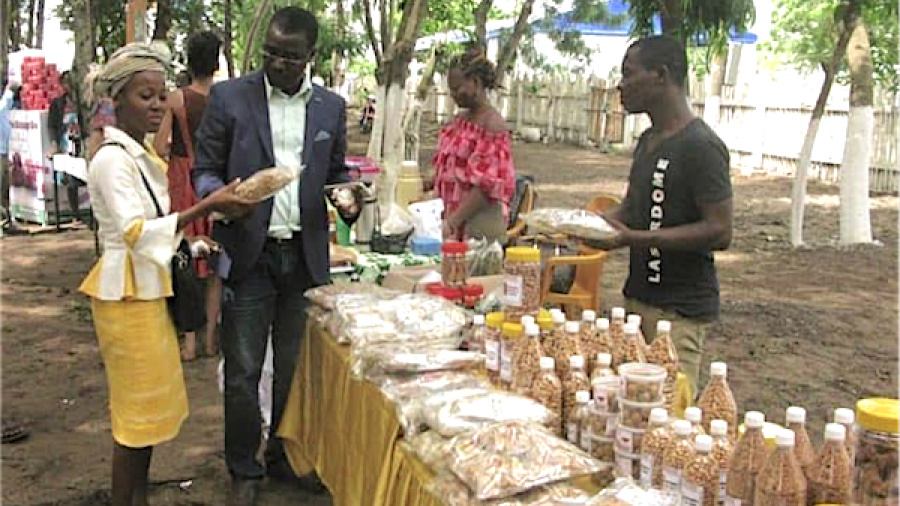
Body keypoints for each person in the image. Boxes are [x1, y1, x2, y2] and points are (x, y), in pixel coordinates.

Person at [78, 42, 255, 506]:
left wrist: (190, 239)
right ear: (117, 101)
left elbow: (149, 221)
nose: (157, 106)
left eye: (161, 96)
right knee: (134, 422)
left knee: (147, 416)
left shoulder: (134, 154)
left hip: (145, 293)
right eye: (145, 97)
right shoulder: (112, 160)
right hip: (127, 298)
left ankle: (137, 496)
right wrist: (207, 206)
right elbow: (135, 230)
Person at [192, 7, 353, 505]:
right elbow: (205, 169)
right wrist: (223, 197)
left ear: (311, 56)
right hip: (249, 254)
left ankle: (283, 457)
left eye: (291, 56)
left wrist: (347, 195)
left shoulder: (331, 107)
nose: (279, 63)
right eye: (272, 53)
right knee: (242, 369)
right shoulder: (229, 97)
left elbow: (338, 172)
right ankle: (244, 467)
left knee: (292, 368)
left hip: (303, 257)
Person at [591, 36, 733, 393]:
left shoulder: (701, 146)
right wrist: (589, 227)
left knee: (668, 411)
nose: (620, 84)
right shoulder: (649, 141)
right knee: (630, 409)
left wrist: (635, 239)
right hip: (637, 300)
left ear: (661, 75)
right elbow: (634, 211)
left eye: (628, 73)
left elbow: (720, 230)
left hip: (680, 312)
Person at [153, 31, 223, 361]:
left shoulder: (177, 99)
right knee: (214, 263)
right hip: (216, 183)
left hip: (183, 181)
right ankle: (212, 339)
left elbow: (159, 145)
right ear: (217, 61)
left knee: (185, 259)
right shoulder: (225, 98)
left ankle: (190, 343)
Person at [433, 48, 516, 243]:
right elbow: (451, 169)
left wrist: (452, 223)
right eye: (450, 89)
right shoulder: (460, 121)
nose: (453, 95)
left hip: (477, 226)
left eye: (457, 88)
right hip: (452, 222)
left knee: (472, 272)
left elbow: (485, 188)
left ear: (476, 83)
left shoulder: (492, 126)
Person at [47, 70, 87, 223]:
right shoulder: (57, 104)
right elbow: (52, 126)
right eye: (66, 83)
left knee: (83, 175)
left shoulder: (82, 103)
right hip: (66, 141)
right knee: (71, 178)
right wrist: (54, 143)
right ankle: (75, 211)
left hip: (80, 141)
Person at [0, 77, 21, 229]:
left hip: (3, 151)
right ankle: (4, 221)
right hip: (1, 153)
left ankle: (6, 220)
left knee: (4, 187)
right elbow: (11, 91)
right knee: (2, 187)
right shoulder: (2, 107)